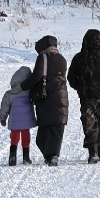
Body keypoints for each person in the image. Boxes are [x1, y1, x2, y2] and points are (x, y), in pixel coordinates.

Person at [67, 27, 100, 165]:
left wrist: (80, 87)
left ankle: (93, 152)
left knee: (89, 123)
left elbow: (71, 78)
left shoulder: (79, 58)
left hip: (87, 97)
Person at [24, 34, 68, 165]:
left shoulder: (43, 57)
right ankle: (52, 155)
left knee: (44, 130)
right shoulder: (62, 59)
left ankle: (51, 156)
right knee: (57, 127)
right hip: (62, 97)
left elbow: (36, 76)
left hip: (46, 97)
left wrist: (22, 86)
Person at [0, 63, 36, 165]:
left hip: (15, 120)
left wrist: (2, 118)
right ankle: (26, 158)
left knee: (15, 134)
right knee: (25, 134)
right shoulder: (30, 92)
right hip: (26, 120)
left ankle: (12, 156)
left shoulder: (10, 94)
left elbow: (4, 106)